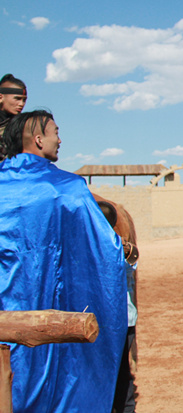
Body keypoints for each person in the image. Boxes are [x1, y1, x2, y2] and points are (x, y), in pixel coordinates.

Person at [0, 110, 128, 412]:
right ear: (38, 138)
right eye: (55, 132)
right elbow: (103, 250)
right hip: (47, 318)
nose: (60, 139)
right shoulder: (65, 188)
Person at [0, 73, 28, 161]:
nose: (21, 104)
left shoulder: (23, 127)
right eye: (17, 99)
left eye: (24, 100)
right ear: (1, 97)